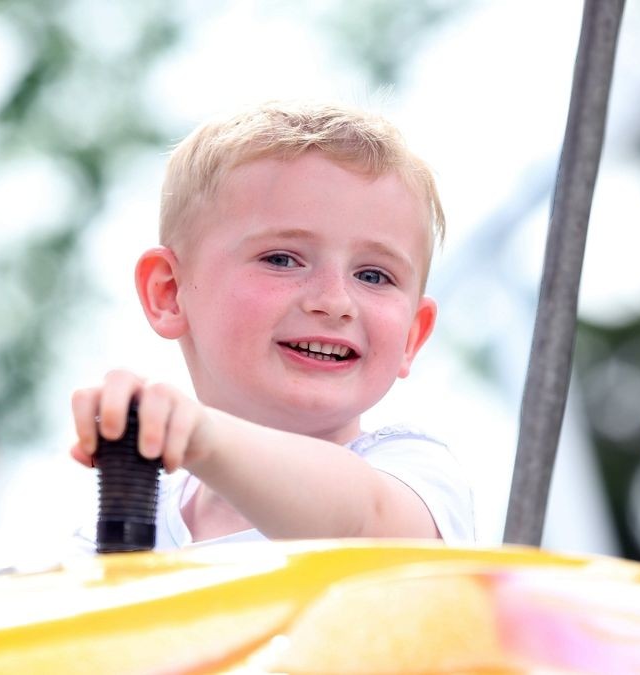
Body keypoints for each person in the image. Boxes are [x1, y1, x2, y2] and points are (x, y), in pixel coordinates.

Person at [69, 100, 474, 547]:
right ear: (168, 291)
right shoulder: (123, 530)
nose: (335, 302)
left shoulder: (415, 477)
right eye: (282, 259)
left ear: (412, 336)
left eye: (373, 275)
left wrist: (206, 438)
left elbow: (362, 523)